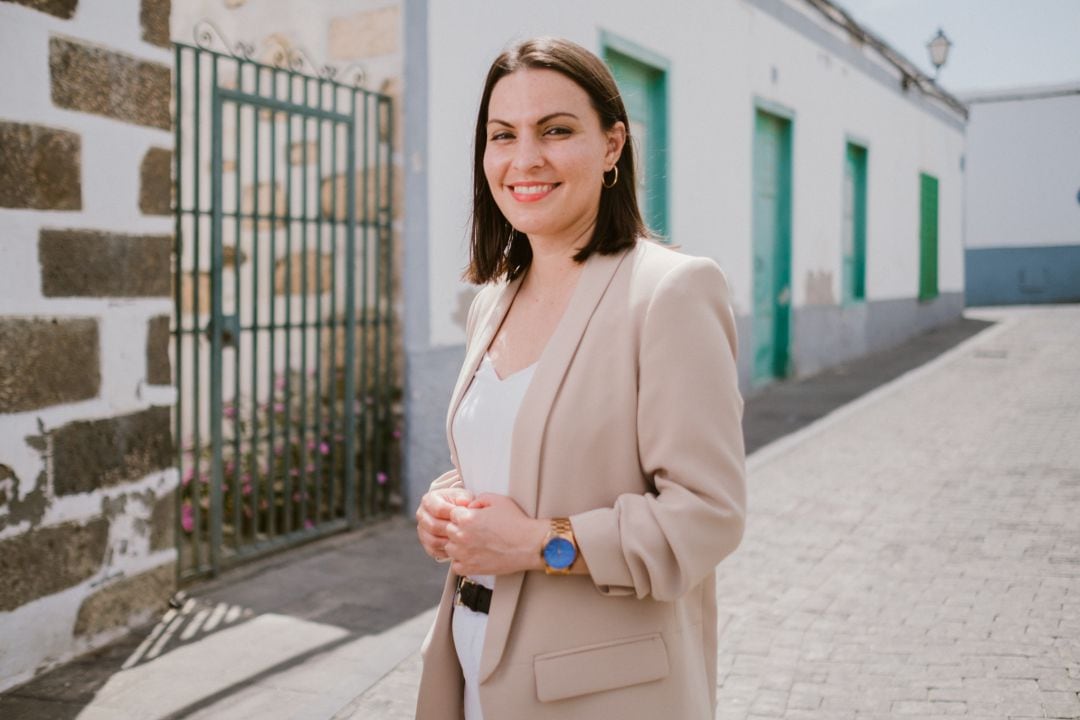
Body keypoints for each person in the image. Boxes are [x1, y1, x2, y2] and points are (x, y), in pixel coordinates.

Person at [414, 36, 746, 719]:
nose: (524, 158)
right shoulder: (492, 301)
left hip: (600, 694)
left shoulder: (670, 292)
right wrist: (448, 506)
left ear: (612, 146)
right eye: (502, 135)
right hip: (472, 667)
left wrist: (539, 543)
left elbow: (708, 516)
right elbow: (517, 454)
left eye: (556, 130)